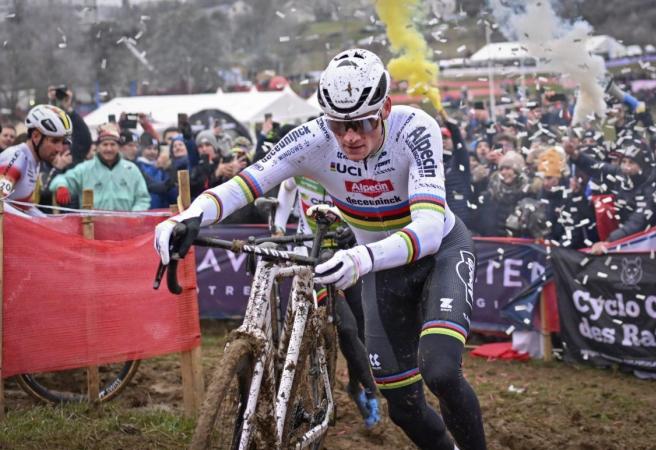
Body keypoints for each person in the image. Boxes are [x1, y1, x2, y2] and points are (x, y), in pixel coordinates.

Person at [155, 48, 486, 450]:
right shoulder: (312, 140)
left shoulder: (414, 128)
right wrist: (190, 216)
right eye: (338, 124)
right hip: (381, 270)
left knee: (441, 373)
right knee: (403, 407)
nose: (349, 137)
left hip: (438, 256)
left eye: (361, 123)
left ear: (386, 108)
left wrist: (360, 258)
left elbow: (430, 228)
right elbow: (247, 183)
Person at [274, 176, 380, 429]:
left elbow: (369, 208)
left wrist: (356, 230)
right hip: (311, 257)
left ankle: (355, 387)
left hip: (344, 256)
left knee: (363, 327)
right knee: (346, 327)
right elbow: (286, 188)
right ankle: (371, 389)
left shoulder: (350, 169)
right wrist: (278, 226)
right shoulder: (302, 167)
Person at [50, 125, 151, 211]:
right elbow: (61, 179)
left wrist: (135, 216)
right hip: (92, 230)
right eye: (105, 144)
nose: (109, 149)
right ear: (98, 147)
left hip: (126, 229)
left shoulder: (131, 169)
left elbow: (143, 198)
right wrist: (61, 186)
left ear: (119, 147)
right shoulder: (85, 169)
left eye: (113, 144)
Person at [0, 104, 72, 216]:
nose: (60, 149)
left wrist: (49, 223)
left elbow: (25, 208)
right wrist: (32, 223)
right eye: (55, 141)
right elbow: (0, 202)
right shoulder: (16, 157)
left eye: (63, 142)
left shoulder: (34, 161)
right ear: (36, 136)